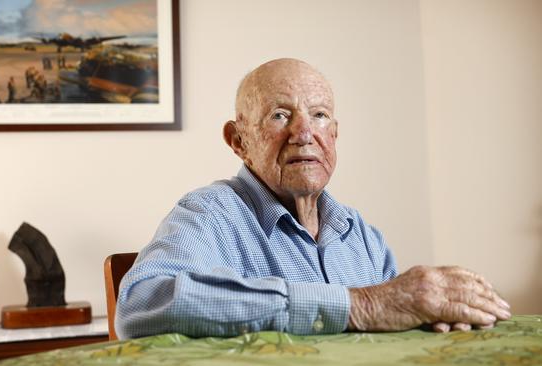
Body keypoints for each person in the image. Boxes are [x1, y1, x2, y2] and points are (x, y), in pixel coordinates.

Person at [115, 58, 511, 339]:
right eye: (280, 115)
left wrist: (433, 313)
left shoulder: (361, 235)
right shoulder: (209, 214)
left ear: (334, 135)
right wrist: (357, 305)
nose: (304, 132)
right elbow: (139, 306)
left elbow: (397, 322)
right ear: (239, 141)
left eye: (320, 115)